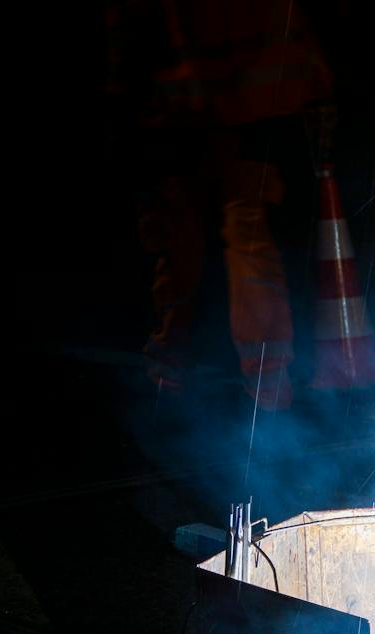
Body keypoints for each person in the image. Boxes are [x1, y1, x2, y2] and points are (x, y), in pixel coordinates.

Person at [104, 0, 335, 411]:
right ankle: (265, 378)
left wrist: (123, 91)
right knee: (232, 240)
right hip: (241, 105)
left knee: (191, 243)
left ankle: (179, 371)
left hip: (193, 109)